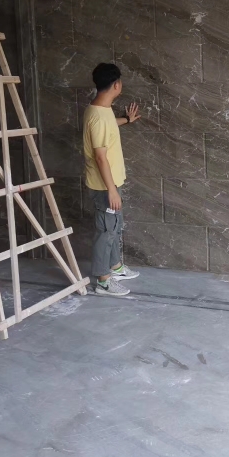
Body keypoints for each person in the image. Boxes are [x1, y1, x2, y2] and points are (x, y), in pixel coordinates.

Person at [83, 62, 141, 296]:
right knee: (106, 232)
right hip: (104, 187)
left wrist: (126, 120)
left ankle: (115, 267)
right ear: (116, 85)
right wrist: (111, 190)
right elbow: (100, 156)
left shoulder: (101, 109)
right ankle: (103, 281)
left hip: (110, 183)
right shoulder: (98, 116)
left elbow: (107, 124)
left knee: (114, 228)